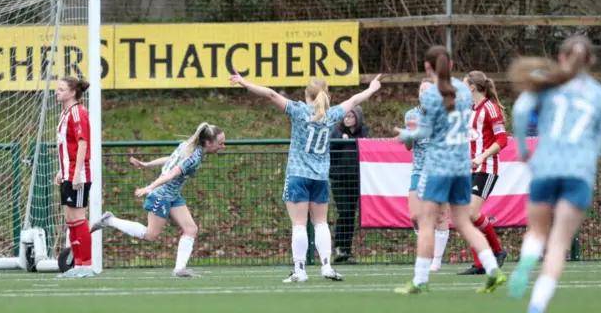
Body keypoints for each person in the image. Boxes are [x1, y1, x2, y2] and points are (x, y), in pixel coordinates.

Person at [229, 71, 382, 283]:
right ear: (326, 94)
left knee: (299, 225)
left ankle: (300, 270)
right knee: (321, 223)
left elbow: (271, 95)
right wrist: (372, 88)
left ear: (307, 94)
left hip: (298, 175)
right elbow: (355, 99)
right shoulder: (333, 114)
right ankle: (327, 266)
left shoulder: (299, 111)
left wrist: (245, 83)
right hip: (320, 176)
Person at [507, 36, 601, 313]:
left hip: (545, 167)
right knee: (559, 242)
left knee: (538, 230)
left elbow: (519, 111)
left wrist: (525, 151)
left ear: (561, 58)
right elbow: (598, 138)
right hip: (578, 172)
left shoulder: (548, 84)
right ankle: (536, 309)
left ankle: (527, 260)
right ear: (591, 61)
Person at [393, 45, 506, 294]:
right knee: (464, 222)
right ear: (452, 65)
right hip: (461, 163)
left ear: (427, 67)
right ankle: (493, 270)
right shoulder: (464, 93)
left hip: (439, 165)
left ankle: (419, 280)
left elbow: (426, 131)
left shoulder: (432, 95)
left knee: (425, 222)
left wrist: (406, 134)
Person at [89, 123, 226, 277]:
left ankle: (179, 269)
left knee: (191, 229)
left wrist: (147, 164)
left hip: (173, 196)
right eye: (220, 143)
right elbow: (171, 174)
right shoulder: (193, 157)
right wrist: (150, 187)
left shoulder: (187, 146)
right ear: (208, 143)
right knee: (151, 235)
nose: (223, 146)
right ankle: (110, 220)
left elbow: (170, 159)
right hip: (161, 195)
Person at [457, 71, 509, 275]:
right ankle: (480, 262)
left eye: (463, 85)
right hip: (469, 168)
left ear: (471, 87)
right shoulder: (468, 109)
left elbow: (502, 140)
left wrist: (481, 157)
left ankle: (497, 250)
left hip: (486, 168)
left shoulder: (490, 108)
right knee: (466, 215)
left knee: (470, 213)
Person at [404, 78, 450, 272]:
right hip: (418, 170)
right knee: (415, 216)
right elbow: (408, 146)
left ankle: (435, 260)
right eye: (421, 91)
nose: (424, 94)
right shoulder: (411, 115)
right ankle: (426, 246)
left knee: (439, 217)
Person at [55, 76, 95, 278]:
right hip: (68, 173)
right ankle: (78, 264)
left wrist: (77, 172)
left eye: (61, 89)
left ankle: (86, 264)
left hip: (78, 174)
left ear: (72, 92)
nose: (57, 92)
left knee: (78, 218)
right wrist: (61, 171)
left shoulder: (78, 112)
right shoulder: (65, 113)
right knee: (70, 219)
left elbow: (82, 143)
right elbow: (66, 146)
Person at [329, 105, 369, 264]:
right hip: (339, 179)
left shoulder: (363, 131)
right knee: (344, 212)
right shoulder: (337, 131)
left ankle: (346, 250)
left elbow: (366, 146)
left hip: (355, 179)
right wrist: (341, 142)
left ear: (357, 118)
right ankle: (339, 248)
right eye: (345, 116)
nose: (347, 119)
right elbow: (331, 149)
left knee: (350, 215)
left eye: (351, 116)